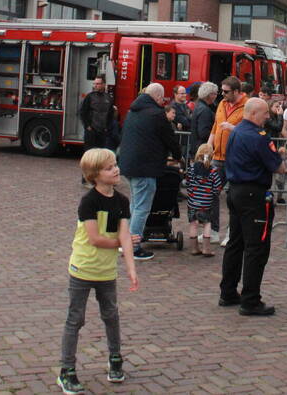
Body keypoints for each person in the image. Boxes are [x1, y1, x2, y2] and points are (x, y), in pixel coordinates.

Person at [57, 148, 139, 394]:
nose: (116, 170)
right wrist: (123, 244)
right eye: (109, 167)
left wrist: (131, 269)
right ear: (94, 175)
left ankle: (115, 359)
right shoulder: (89, 202)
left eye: (115, 165)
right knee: (75, 319)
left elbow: (125, 234)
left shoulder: (122, 201)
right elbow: (95, 239)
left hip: (106, 272)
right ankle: (67, 370)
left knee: (111, 316)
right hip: (82, 268)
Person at [219, 98, 287, 316]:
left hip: (236, 191)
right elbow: (279, 168)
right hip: (253, 196)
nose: (268, 117)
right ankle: (250, 299)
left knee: (235, 244)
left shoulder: (237, 131)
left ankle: (228, 291)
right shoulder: (258, 137)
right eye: (265, 113)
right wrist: (281, 156)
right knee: (256, 247)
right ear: (253, 114)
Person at [118, 83, 182, 260]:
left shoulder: (133, 111)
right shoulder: (156, 114)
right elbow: (169, 138)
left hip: (129, 165)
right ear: (158, 97)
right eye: (162, 99)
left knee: (134, 205)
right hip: (146, 167)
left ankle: (127, 242)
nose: (163, 102)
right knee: (142, 208)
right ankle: (134, 246)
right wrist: (178, 155)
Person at [208, 76, 249, 241]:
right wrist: (208, 146)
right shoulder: (222, 104)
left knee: (234, 197)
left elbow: (250, 131)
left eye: (226, 92)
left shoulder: (248, 106)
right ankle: (213, 231)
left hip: (236, 159)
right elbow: (215, 127)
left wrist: (232, 128)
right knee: (211, 192)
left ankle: (232, 233)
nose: (222, 94)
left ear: (237, 91)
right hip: (217, 156)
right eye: (221, 91)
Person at [185, 143, 223, 257]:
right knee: (207, 224)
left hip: (192, 203)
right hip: (206, 204)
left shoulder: (191, 168)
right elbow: (217, 187)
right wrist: (213, 194)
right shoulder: (212, 171)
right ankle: (206, 249)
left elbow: (187, 183)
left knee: (193, 224)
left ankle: (194, 248)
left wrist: (192, 193)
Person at [79, 77, 116, 150]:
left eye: (98, 84)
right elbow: (83, 112)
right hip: (91, 131)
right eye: (94, 83)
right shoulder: (89, 96)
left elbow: (111, 114)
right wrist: (87, 126)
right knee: (89, 154)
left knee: (100, 155)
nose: (95, 85)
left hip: (102, 132)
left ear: (103, 85)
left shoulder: (108, 98)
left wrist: (107, 128)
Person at [189, 82, 217, 160]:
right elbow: (203, 133)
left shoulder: (199, 106)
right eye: (215, 93)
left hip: (197, 148)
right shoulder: (205, 110)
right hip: (202, 150)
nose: (216, 96)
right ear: (209, 95)